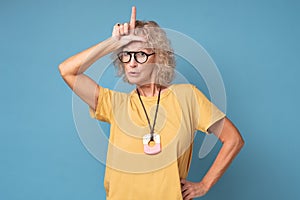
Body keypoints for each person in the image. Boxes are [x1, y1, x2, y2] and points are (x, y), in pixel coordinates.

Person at [58, 6, 244, 200]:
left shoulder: (188, 98)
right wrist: (112, 43)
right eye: (126, 54)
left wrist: (205, 185)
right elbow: (67, 71)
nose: (131, 63)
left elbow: (233, 139)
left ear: (159, 56)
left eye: (140, 54)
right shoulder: (114, 103)